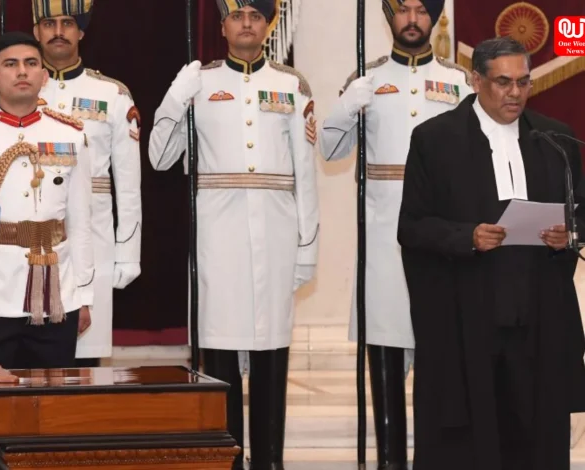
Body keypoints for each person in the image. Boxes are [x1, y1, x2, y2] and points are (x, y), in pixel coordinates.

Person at [398, 36, 585, 470]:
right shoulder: (435, 139)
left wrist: (568, 233)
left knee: (536, 434)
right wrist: (468, 236)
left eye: (523, 82)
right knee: (470, 440)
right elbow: (412, 226)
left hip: (538, 314)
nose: (515, 93)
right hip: (468, 316)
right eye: (503, 82)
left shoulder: (555, 137)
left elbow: (580, 212)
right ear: (475, 80)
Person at [149, 1, 319, 468]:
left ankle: (268, 460)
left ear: (269, 25)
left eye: (256, 16)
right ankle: (224, 460)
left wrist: (307, 248)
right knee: (218, 356)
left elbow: (305, 173)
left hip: (278, 236)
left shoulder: (290, 85)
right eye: (237, 14)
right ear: (222, 25)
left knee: (271, 353)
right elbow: (160, 158)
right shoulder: (199, 82)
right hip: (217, 241)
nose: (247, 23)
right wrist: (175, 95)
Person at [318, 1, 472, 466]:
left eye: (420, 10)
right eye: (401, 9)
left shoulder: (461, 82)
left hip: (441, 247)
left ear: (435, 17)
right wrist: (347, 107)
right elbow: (329, 151)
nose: (411, 18)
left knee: (439, 373)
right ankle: (389, 461)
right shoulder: (365, 79)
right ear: (388, 18)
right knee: (383, 372)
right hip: (384, 248)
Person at [0, 0, 142, 368]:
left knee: (83, 359)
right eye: (49, 23)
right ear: (36, 31)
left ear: (81, 31)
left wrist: (128, 250)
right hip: (22, 240)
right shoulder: (6, 89)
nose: (58, 31)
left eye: (68, 23)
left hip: (93, 238)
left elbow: (129, 183)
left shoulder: (112, 95)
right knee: (20, 356)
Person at [0, 31, 94, 370]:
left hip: (57, 293)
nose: (22, 72)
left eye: (31, 64)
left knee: (54, 400)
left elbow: (82, 220)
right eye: (10, 65)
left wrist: (84, 296)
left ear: (44, 76)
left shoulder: (71, 134)